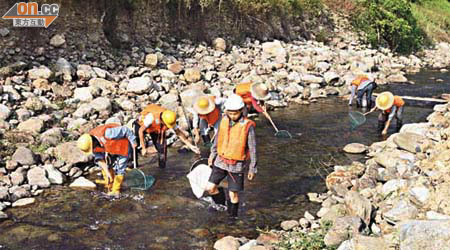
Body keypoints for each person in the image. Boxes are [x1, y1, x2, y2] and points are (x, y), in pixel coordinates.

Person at [206, 94, 257, 218]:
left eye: (235, 113)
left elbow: (253, 148)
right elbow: (217, 140)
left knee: (233, 194)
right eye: (230, 113)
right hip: (220, 161)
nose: (233, 116)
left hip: (236, 165)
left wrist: (252, 168)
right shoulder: (223, 121)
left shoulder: (247, 126)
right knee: (210, 188)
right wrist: (212, 155)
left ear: (241, 111)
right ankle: (221, 206)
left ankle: (232, 218)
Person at [77, 123, 137, 198]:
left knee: (120, 168)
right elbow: (100, 160)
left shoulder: (108, 133)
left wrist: (133, 141)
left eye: (92, 147)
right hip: (111, 148)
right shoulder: (92, 144)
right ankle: (110, 184)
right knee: (107, 167)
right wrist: (107, 172)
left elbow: (125, 130)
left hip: (123, 146)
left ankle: (116, 190)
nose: (92, 150)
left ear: (93, 142)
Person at [133, 104, 200, 169]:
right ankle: (133, 164)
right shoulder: (151, 117)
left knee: (162, 148)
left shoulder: (169, 118)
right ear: (162, 120)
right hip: (141, 125)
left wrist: (191, 146)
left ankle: (161, 169)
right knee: (135, 144)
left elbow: (179, 133)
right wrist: (143, 148)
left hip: (155, 129)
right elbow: (140, 131)